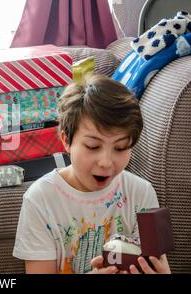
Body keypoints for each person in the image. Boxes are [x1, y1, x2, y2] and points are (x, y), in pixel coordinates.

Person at [12, 75, 171, 274]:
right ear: (66, 141)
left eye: (120, 148)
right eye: (93, 146)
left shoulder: (141, 193)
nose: (106, 162)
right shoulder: (40, 199)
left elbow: (156, 263)